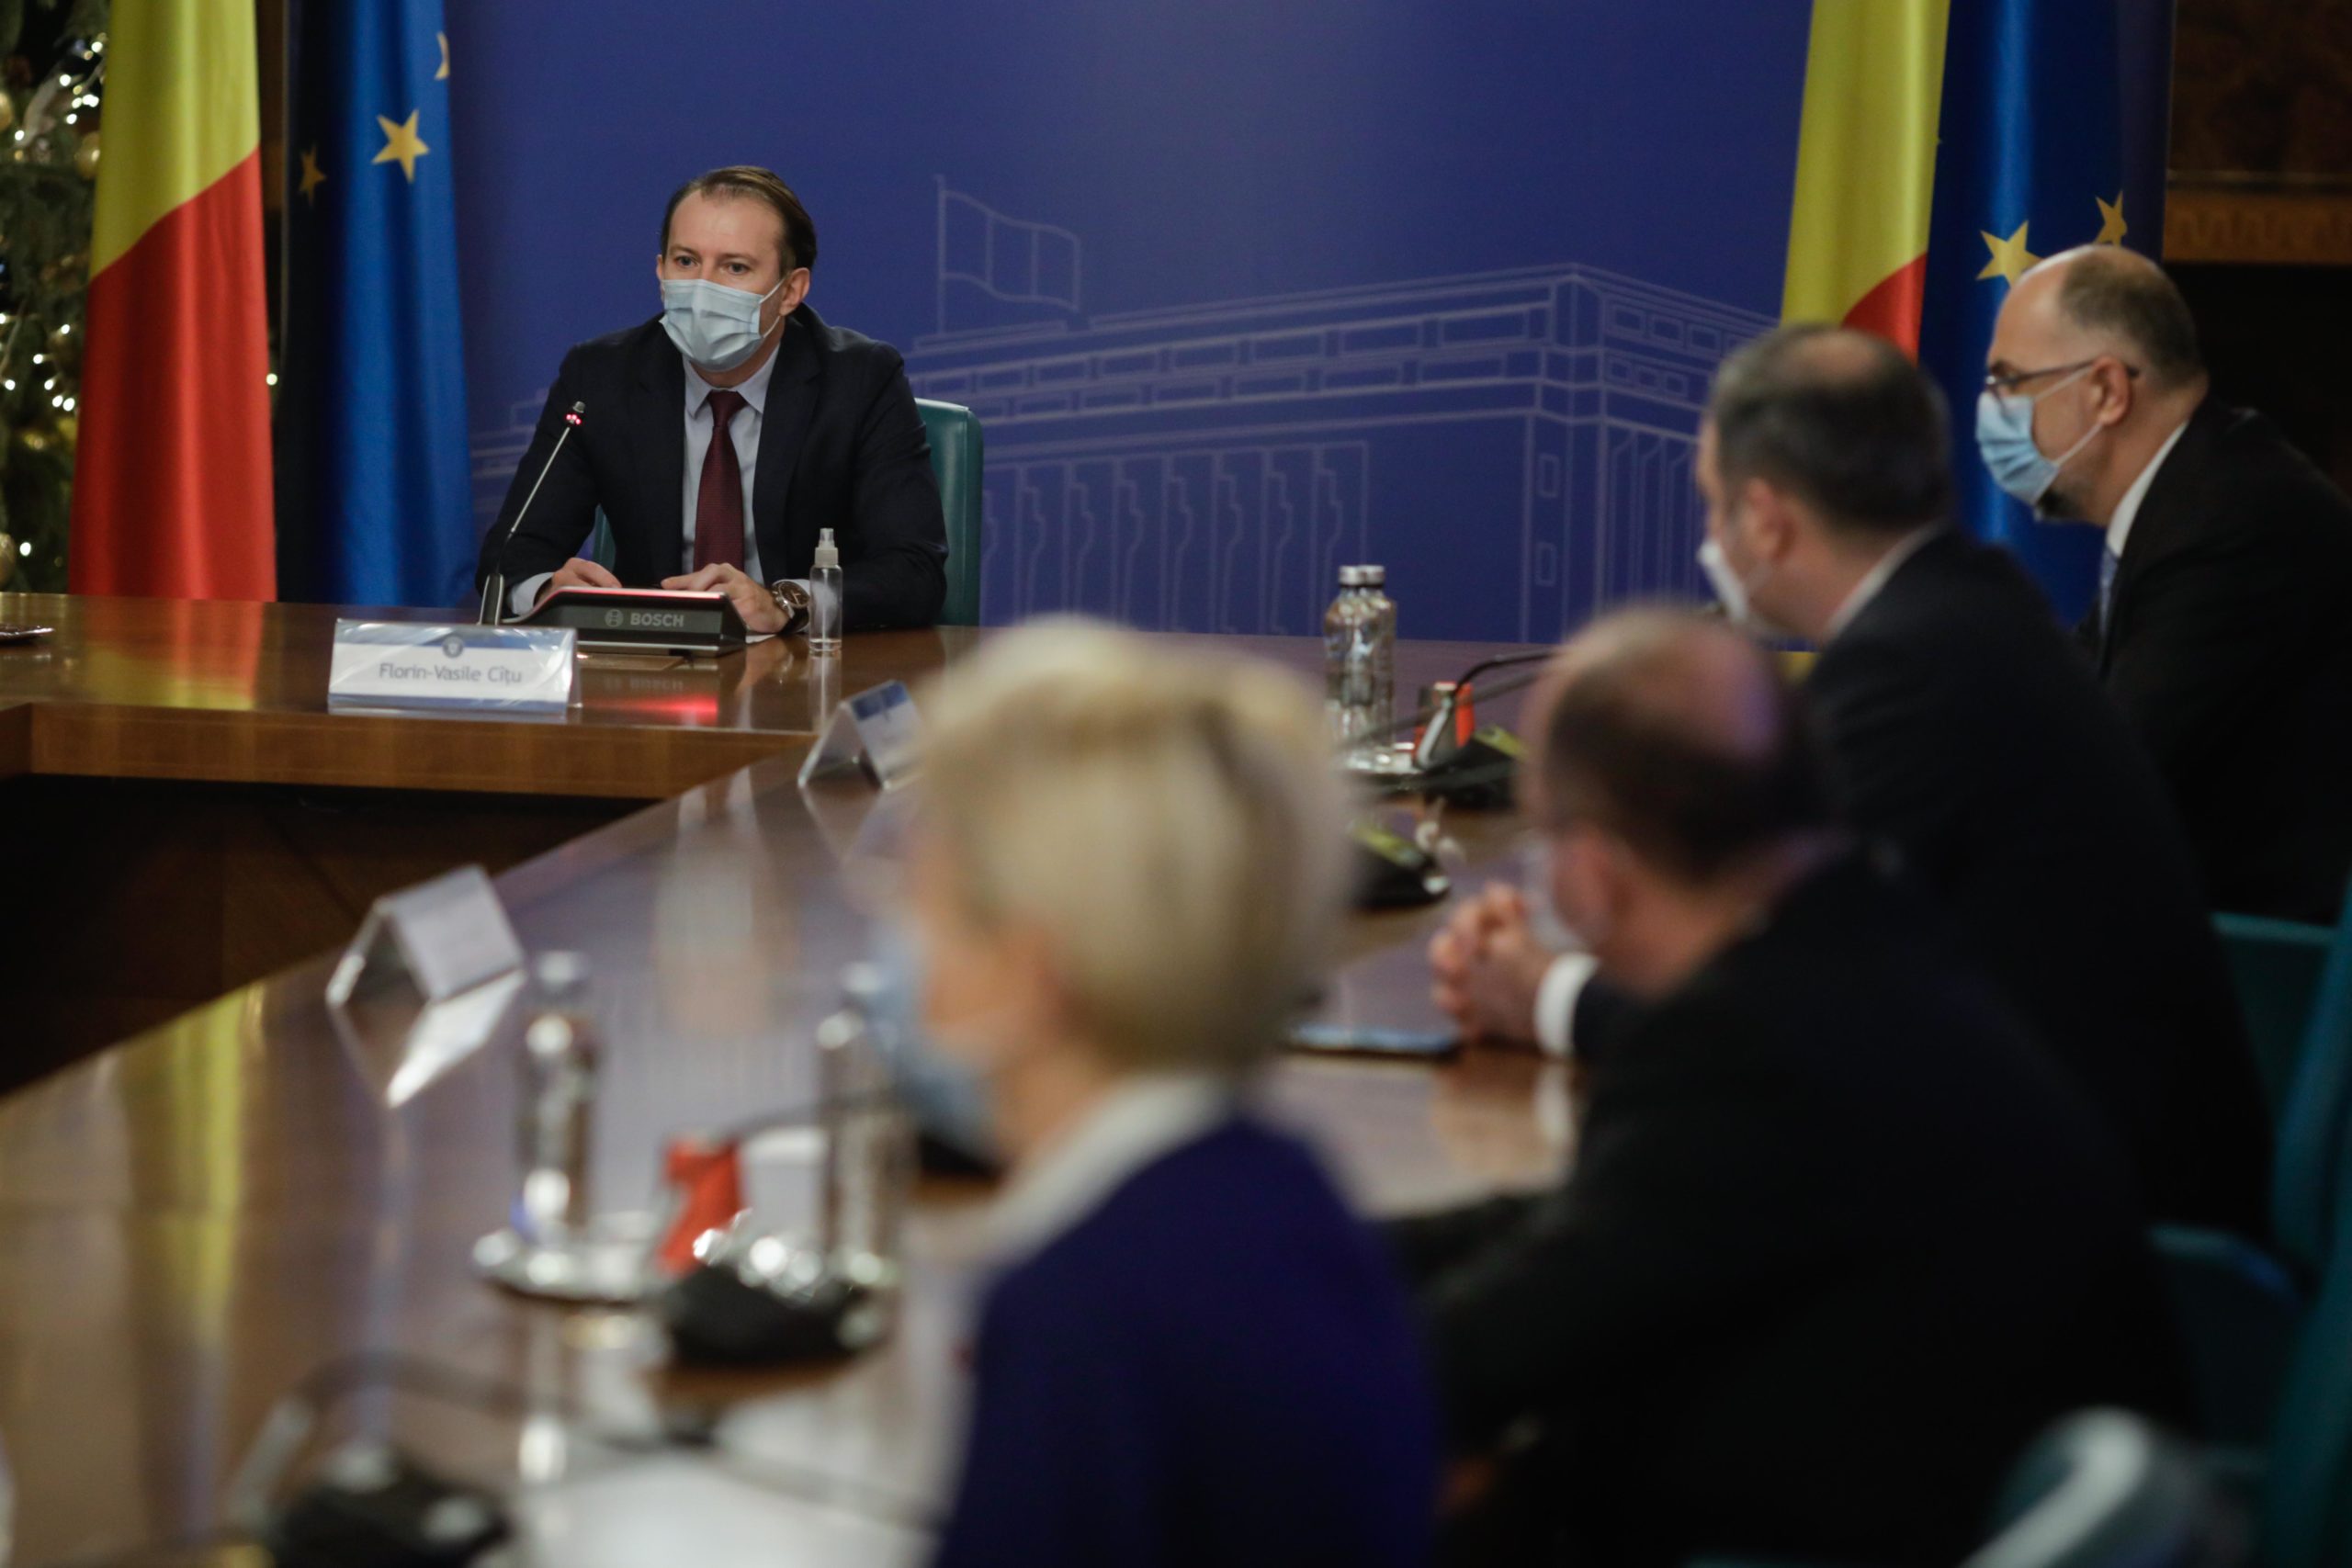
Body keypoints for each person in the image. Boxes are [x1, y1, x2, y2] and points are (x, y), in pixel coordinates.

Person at [1432, 325, 2269, 1236]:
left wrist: (1547, 993)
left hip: (2088, 1232)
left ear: (1766, 518)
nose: (1711, 539)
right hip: (2057, 1159)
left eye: (1712, 506)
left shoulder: (1908, 673)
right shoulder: (1965, 603)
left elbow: (1779, 1011)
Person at [1396, 608, 2189, 1567]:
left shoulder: (1745, 1045)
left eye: (1545, 832)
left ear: (1595, 874)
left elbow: (1479, 1356)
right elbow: (1587, 1226)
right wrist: (1317, 1246)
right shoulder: (1862, 930)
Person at [906, 621, 1437, 1568]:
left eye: (929, 911)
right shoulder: (1286, 1193)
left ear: (1032, 969)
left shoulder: (1081, 1314)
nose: (906, 954)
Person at [1982, 246, 2352, 920]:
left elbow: (2103, 771)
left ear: (2107, 391)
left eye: (2010, 382)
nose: (1993, 409)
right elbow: (2055, 711)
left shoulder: (2233, 517)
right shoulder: (2189, 495)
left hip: (2269, 959)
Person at [475, 165, 946, 633]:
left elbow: (914, 572)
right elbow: (510, 555)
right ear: (660, 271)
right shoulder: (600, 378)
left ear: (791, 291)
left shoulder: (859, 381)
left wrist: (785, 602)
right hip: (648, 659)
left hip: (802, 663)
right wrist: (547, 590)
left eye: (735, 267)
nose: (703, 289)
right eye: (685, 262)